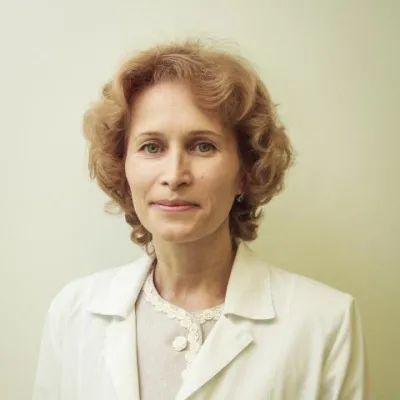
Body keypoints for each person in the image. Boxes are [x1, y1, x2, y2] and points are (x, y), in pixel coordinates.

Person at [33, 39, 369, 399]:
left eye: (203, 146)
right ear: (123, 166)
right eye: (151, 147)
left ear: (246, 171)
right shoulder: (73, 311)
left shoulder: (325, 322)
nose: (175, 175)